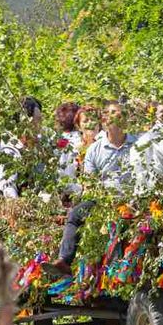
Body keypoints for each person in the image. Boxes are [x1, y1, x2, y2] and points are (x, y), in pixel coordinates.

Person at [50, 100, 136, 272]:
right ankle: (64, 260)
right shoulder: (95, 150)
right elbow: (90, 183)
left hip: (133, 199)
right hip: (102, 201)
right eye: (110, 115)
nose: (115, 119)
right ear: (104, 121)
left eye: (119, 115)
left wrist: (132, 200)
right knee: (75, 213)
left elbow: (143, 177)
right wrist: (103, 199)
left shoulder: (138, 145)